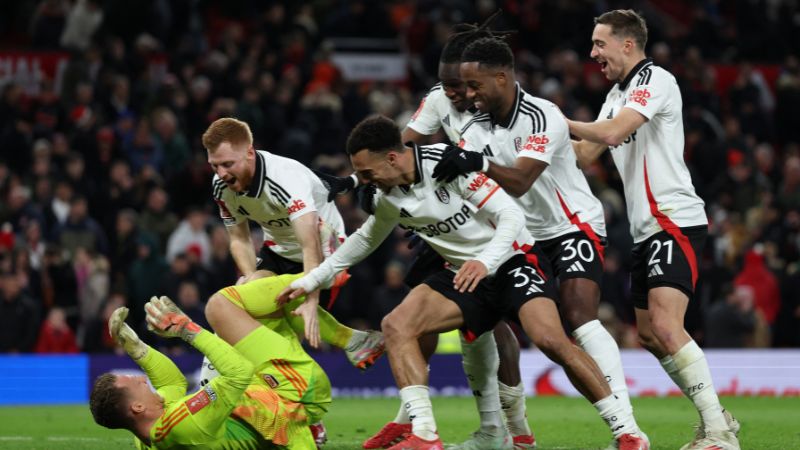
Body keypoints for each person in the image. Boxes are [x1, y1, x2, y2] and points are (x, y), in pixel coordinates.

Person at [281, 115, 647, 450]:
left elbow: (510, 217)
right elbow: (364, 241)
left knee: (551, 340)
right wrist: (311, 280)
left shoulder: (446, 164)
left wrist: (484, 262)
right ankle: (425, 433)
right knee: (397, 325)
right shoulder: (386, 195)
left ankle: (626, 432)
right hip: (462, 274)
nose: (364, 180)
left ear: (392, 158)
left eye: (366, 171)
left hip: (511, 261)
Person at [317, 15, 537, 450]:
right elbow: (395, 146)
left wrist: (470, 168)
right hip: (445, 221)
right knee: (416, 316)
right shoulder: (439, 100)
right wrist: (362, 180)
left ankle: (513, 428)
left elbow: (514, 174)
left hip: (496, 218)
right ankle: (414, 421)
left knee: (499, 327)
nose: (457, 95)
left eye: (462, 86)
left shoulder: (502, 107)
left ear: (479, 80)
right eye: (449, 86)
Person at [429, 34, 638, 447]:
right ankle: (513, 431)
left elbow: (522, 180)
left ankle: (626, 427)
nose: (468, 95)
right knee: (486, 322)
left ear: (502, 78)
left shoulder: (544, 116)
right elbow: (467, 181)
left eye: (475, 86)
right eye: (464, 86)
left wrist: (478, 161)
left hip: (571, 226)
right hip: (518, 237)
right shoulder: (474, 128)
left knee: (579, 317)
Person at [566, 9, 740, 450]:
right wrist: (529, 136)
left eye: (599, 43)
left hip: (672, 218)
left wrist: (558, 119)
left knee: (665, 324)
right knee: (647, 334)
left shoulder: (654, 79)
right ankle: (716, 416)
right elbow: (586, 154)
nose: (593, 54)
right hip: (646, 230)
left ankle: (718, 433)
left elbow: (613, 133)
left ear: (627, 44)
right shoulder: (615, 94)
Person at [203, 117, 383, 446]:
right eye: (214, 165)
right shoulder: (222, 187)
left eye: (227, 164)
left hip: (325, 249)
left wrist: (311, 299)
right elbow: (240, 239)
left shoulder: (285, 179)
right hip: (277, 248)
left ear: (249, 154)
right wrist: (247, 283)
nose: (221, 173)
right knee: (245, 310)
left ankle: (308, 414)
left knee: (271, 324)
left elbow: (310, 242)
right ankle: (354, 342)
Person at [90, 273, 332, 449]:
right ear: (137, 408)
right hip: (298, 394)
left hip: (274, 409)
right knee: (224, 304)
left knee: (251, 288)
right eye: (135, 383)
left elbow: (173, 384)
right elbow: (239, 372)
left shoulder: (148, 437)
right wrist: (186, 328)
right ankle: (329, 274)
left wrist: (138, 349)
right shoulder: (183, 425)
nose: (143, 378)